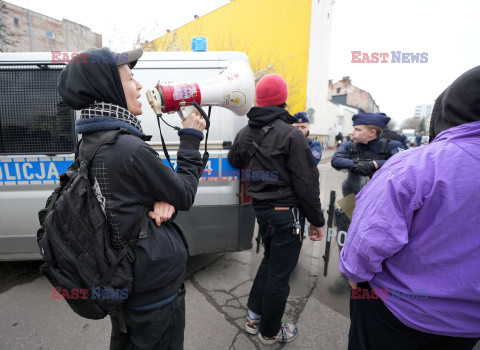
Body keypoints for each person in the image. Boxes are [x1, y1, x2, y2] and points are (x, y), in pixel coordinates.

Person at [58, 47, 206, 349]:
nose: (139, 86)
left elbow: (118, 203)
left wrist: (157, 202)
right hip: (154, 290)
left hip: (123, 280)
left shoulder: (92, 140)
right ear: (108, 87)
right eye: (130, 78)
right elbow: (185, 193)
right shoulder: (128, 148)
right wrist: (190, 138)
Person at [339, 65, 480, 349]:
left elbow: (369, 239)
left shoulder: (413, 163)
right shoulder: (355, 148)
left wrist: (355, 275)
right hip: (467, 325)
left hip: (397, 313)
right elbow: (336, 160)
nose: (353, 132)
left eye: (358, 128)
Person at [227, 74, 325, 345]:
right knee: (279, 276)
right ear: (283, 101)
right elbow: (306, 181)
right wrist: (317, 221)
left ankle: (253, 318)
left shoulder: (245, 133)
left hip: (263, 212)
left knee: (270, 264)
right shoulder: (291, 134)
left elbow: (234, 160)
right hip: (287, 215)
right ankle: (270, 331)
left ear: (259, 100)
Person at [331, 113, 404, 177]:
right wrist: (360, 164)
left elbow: (403, 161)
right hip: (354, 190)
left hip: (381, 190)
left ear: (372, 133)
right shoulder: (349, 145)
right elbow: (335, 160)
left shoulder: (392, 146)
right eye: (354, 129)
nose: (352, 133)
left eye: (357, 130)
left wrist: (375, 164)